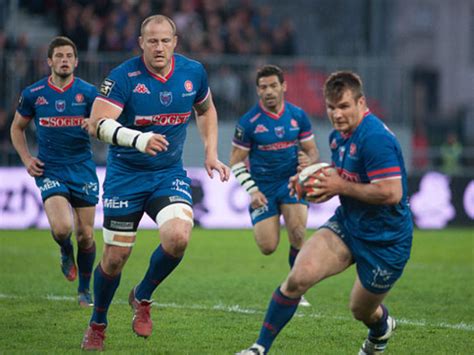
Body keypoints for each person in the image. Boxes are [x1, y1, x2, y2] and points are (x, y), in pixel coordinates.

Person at [80, 15, 230, 351]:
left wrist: (210, 152)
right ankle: (98, 323)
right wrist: (137, 139)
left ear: (175, 41)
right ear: (141, 43)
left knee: (178, 237)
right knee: (115, 258)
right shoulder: (123, 77)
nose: (159, 47)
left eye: (165, 40)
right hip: (125, 178)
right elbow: (95, 123)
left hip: (167, 173)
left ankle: (142, 295)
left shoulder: (193, 72)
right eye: (152, 41)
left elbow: (205, 111)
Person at [238, 71, 413, 355]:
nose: (337, 114)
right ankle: (259, 348)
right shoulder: (338, 136)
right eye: (332, 108)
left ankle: (381, 330)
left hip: (386, 240)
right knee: (298, 277)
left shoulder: (375, 139)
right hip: (348, 225)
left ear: (361, 103)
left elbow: (391, 192)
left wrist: (338, 185)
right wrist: (309, 177)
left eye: (344, 106)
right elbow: (343, 173)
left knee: (361, 310)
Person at [10, 36, 99, 307]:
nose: (64, 60)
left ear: (76, 61)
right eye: (59, 56)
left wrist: (93, 125)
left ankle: (84, 289)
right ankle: (64, 249)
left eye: (69, 56)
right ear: (49, 61)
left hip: (82, 168)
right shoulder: (34, 94)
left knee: (86, 235)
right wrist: (26, 158)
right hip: (51, 170)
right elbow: (17, 127)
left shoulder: (89, 93)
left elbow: (104, 125)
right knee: (62, 229)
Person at [230, 65, 319, 307]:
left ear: (284, 86)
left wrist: (307, 161)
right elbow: (235, 162)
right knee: (268, 247)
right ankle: (265, 217)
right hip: (263, 189)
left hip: (291, 183)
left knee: (299, 233)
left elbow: (312, 151)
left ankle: (295, 288)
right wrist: (253, 190)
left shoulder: (298, 116)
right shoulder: (249, 123)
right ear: (257, 91)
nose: (268, 91)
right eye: (263, 87)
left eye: (273, 86)